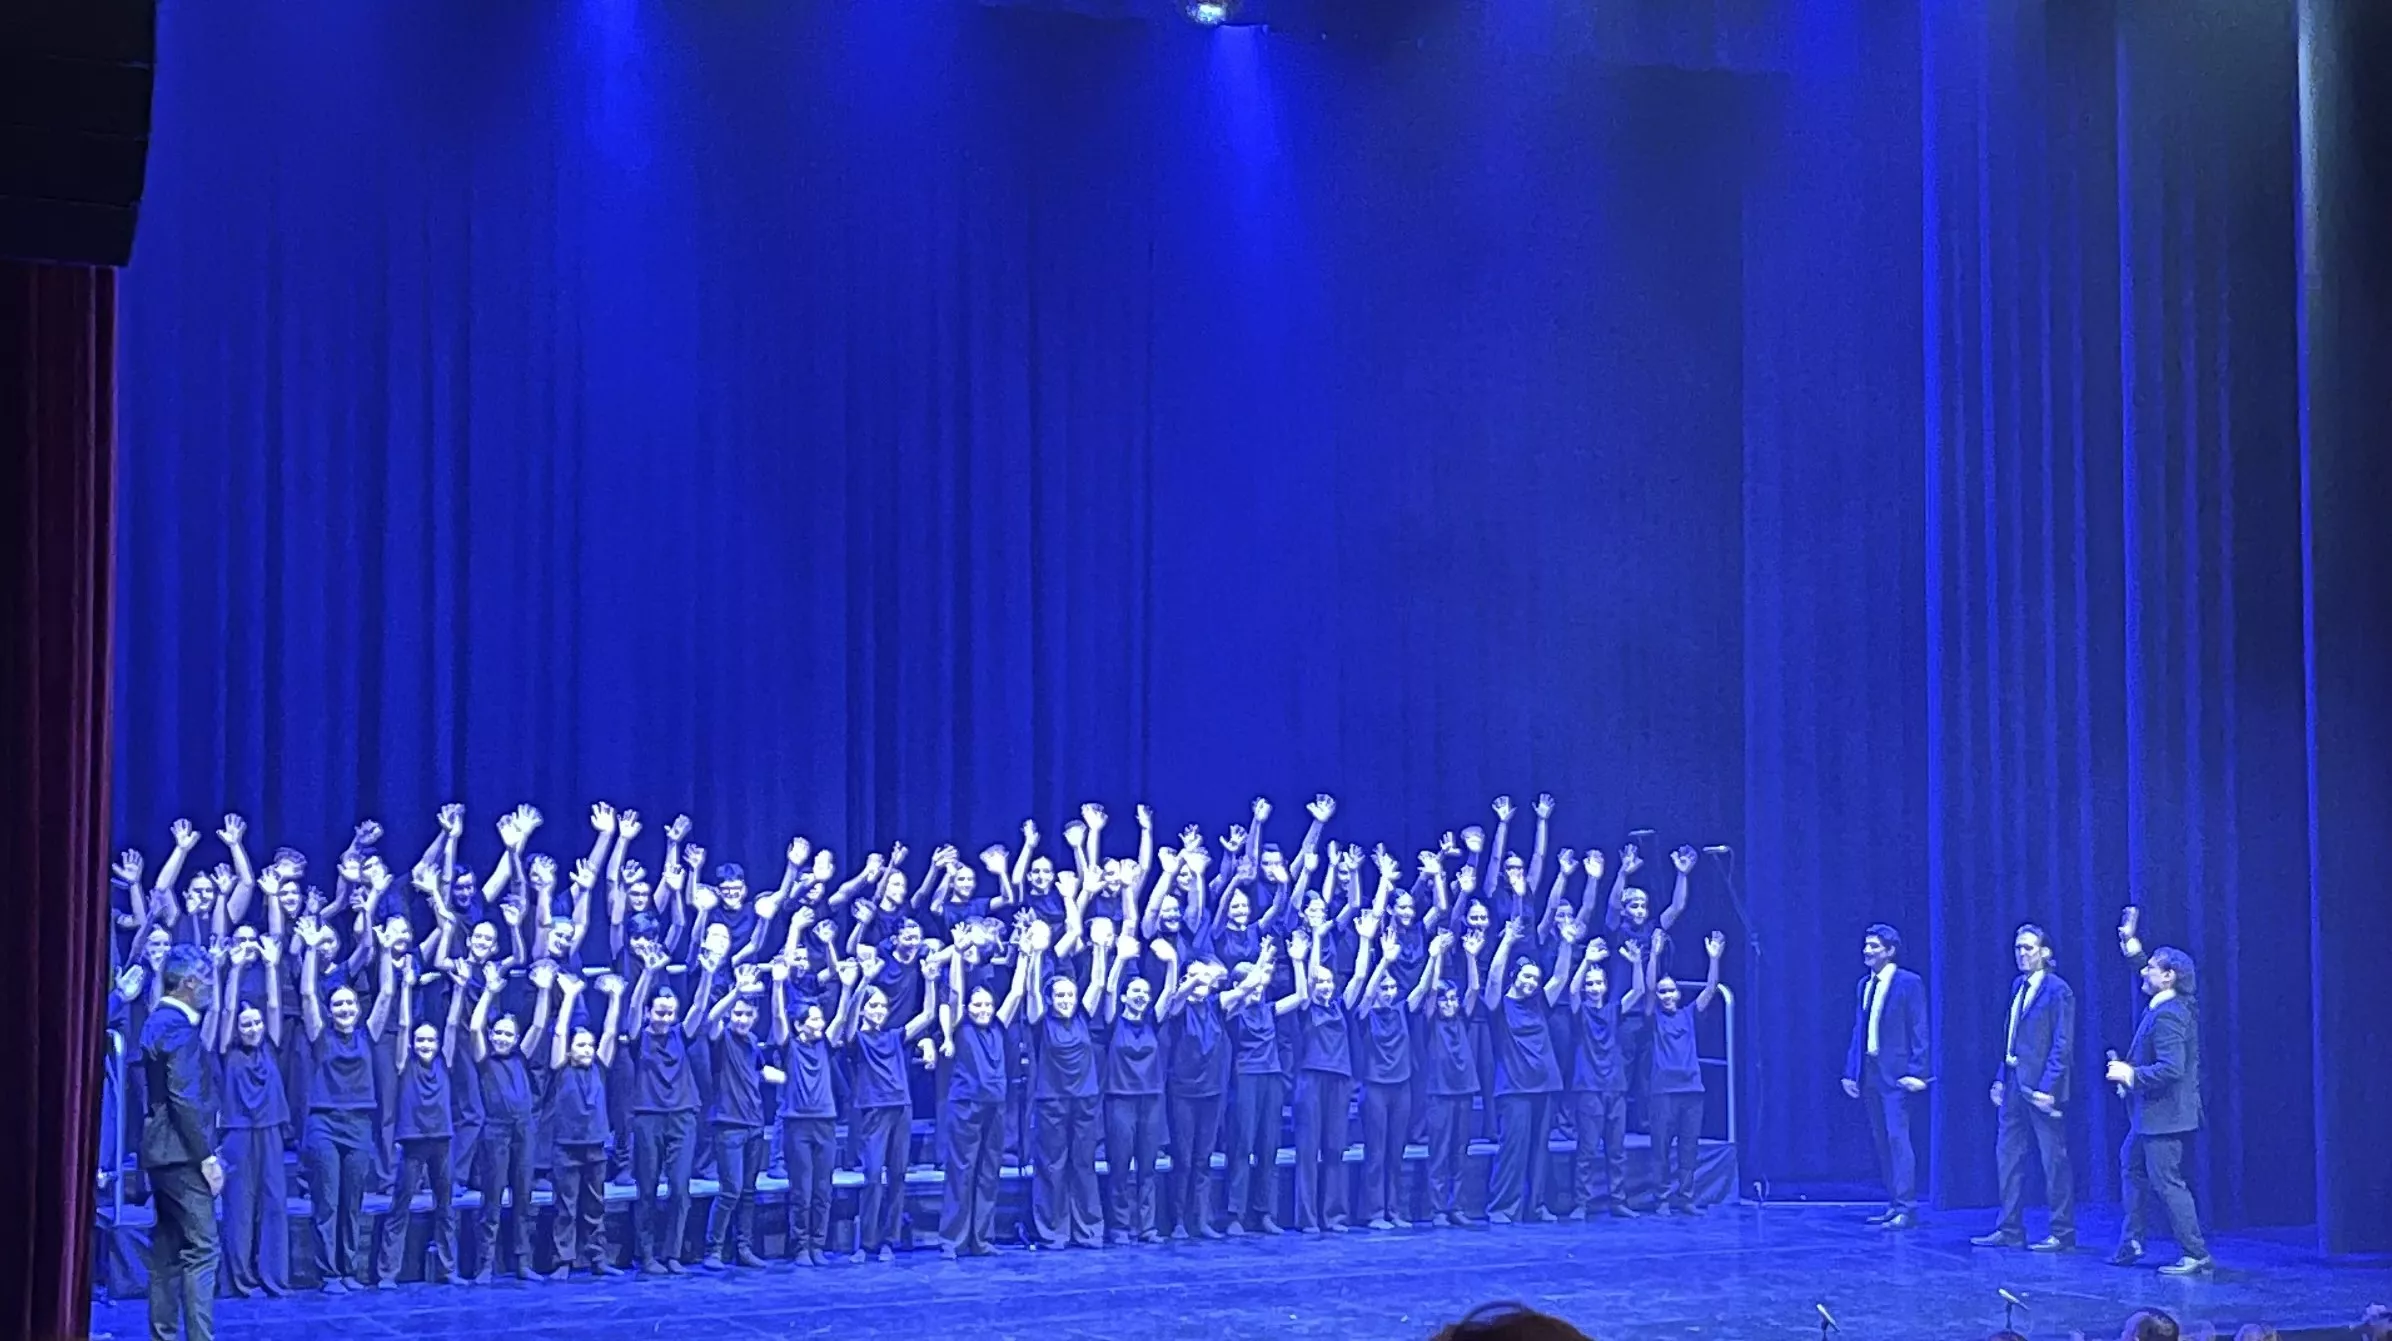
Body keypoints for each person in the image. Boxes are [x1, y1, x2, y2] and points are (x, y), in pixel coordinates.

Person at [2107, 907, 2211, 1276]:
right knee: (2132, 1165)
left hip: (2164, 1117)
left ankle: (2196, 1253)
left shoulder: (2170, 1014)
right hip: (2151, 1117)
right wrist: (2129, 942)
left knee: (2167, 1183)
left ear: (2168, 977)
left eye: (2152, 967)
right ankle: (2133, 1239)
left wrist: (2130, 1075)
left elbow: (2172, 1068)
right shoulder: (2167, 1002)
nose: (2145, 970)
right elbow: (2141, 968)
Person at [1972, 922, 2077, 1252]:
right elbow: (2012, 1037)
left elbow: (2062, 1043)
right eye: (2018, 948)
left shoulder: (2058, 990)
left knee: (2053, 1161)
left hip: (2041, 1087)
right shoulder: (2019, 985)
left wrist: (2049, 1086)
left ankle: (2062, 1231)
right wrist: (2001, 1077)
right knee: (2008, 1157)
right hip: (2015, 1082)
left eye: (2029, 948)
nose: (2022, 954)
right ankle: (2010, 1228)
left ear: (2045, 952)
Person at [141, 943, 225, 1341]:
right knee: (203, 1250)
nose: (212, 988)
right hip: (180, 1153)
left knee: (167, 1250)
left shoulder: (156, 1020)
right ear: (190, 983)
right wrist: (206, 1156)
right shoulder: (178, 1028)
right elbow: (184, 1098)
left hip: (160, 1153)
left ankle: (163, 1335)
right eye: (207, 980)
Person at [1624, 927, 1726, 1214]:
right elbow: (1647, 988)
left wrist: (1714, 959)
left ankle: (1686, 1196)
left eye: (1672, 991)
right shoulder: (1653, 1017)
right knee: (1661, 1148)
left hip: (1692, 1089)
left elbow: (1710, 989)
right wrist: (1654, 955)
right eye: (1663, 991)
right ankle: (1662, 1198)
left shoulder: (1689, 1014)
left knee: (1688, 1147)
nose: (1667, 995)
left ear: (1679, 994)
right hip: (1663, 1092)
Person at [378, 959, 465, 1285]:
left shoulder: (446, 1060)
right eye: (421, 1041)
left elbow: (454, 1024)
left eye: (431, 1040)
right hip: (414, 1143)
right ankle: (388, 1272)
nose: (425, 1045)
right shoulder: (405, 1062)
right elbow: (402, 1024)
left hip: (441, 1141)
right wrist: (406, 988)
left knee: (446, 1207)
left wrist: (459, 989)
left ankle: (448, 1269)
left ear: (439, 1044)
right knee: (400, 1205)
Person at [211, 937, 290, 1297]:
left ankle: (273, 1277)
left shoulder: (271, 1045)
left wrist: (272, 966)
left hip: (270, 1130)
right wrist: (236, 969)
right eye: (247, 1024)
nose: (253, 1027)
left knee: (274, 1203)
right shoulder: (228, 1051)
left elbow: (274, 1006)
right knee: (240, 1208)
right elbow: (226, 1012)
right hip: (238, 1134)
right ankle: (241, 1280)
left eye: (256, 1022)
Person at [1841, 922, 1930, 1229]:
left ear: (1890, 951)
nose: (1867, 951)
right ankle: (1894, 1202)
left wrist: (1919, 1072)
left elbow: (1920, 1028)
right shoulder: (1865, 984)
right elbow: (1860, 1030)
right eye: (1866, 945)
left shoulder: (1908, 982)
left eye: (1875, 946)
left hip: (1897, 1074)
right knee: (1881, 1140)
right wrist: (1851, 1071)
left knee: (1897, 1138)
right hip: (1871, 1073)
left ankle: (1907, 1205)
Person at [537, 971, 625, 1279]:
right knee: (565, 1205)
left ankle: (598, 1258)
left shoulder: (600, 1068)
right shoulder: (560, 1069)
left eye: (590, 1045)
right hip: (566, 1147)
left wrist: (615, 998)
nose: (586, 1050)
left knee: (595, 1206)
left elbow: (611, 1032)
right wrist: (571, 995)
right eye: (581, 1045)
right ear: (571, 1049)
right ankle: (563, 1260)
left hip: (595, 1145)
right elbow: (560, 1032)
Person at [466, 961, 548, 1281]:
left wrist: (543, 991)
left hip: (524, 1129)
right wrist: (489, 992)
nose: (502, 1038)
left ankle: (523, 1262)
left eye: (508, 1034)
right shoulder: (484, 1059)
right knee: (492, 1198)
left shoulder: (520, 1057)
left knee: (524, 1197)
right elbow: (474, 1028)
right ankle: (485, 1264)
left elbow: (539, 1027)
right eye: (498, 1032)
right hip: (495, 1131)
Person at [1024, 928, 1105, 1250]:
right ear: (1051, 999)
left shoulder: (1084, 1016)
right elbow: (1031, 992)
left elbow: (1097, 983)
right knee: (1053, 1167)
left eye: (1070, 995)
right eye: (1060, 996)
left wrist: (1099, 947)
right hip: (1052, 1102)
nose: (1067, 1001)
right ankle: (1053, 1231)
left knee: (1083, 1166)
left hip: (1085, 1102)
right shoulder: (1041, 1021)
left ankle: (1088, 1230)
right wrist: (1032, 955)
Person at [1483, 917, 1566, 1223]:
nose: (1531, 982)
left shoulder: (1540, 1003)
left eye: (1535, 978)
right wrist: (1506, 941)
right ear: (1516, 976)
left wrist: (1567, 943)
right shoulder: (1500, 1005)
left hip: (1546, 1084)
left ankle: (1537, 1205)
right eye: (1527, 977)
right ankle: (1503, 1207)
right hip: (1514, 1087)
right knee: (1513, 1150)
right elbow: (1492, 981)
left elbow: (1559, 978)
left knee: (1540, 1150)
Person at [769, 961, 839, 1265]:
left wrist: (848, 986)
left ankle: (817, 1244)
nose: (820, 1023)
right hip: (797, 1124)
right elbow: (777, 1017)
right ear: (799, 1025)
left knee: (823, 1189)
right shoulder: (789, 1047)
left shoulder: (826, 1045)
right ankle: (800, 1246)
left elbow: (843, 1018)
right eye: (813, 1019)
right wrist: (777, 985)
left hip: (825, 1122)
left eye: (820, 1018)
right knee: (803, 1190)